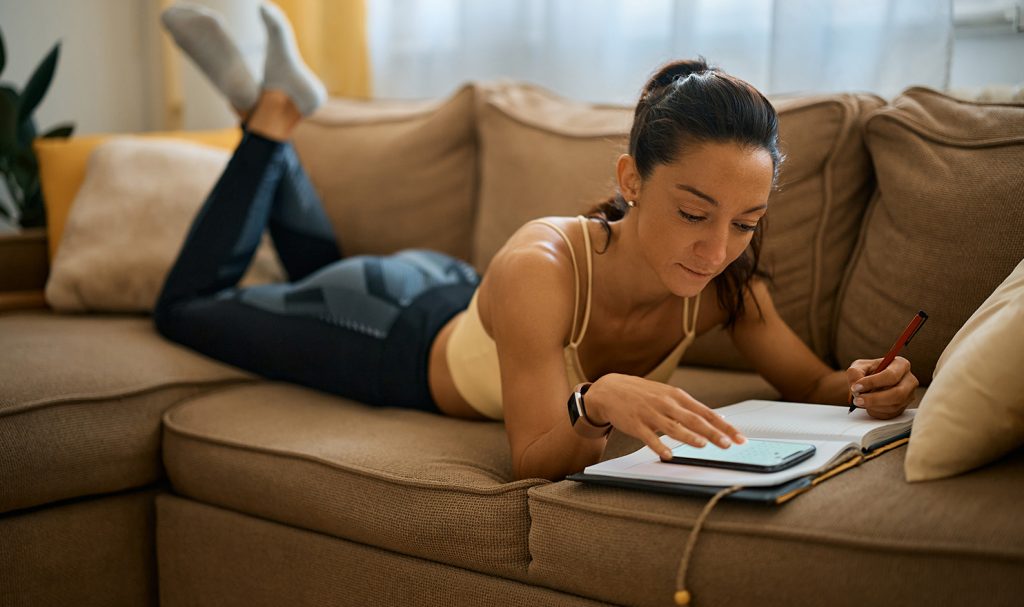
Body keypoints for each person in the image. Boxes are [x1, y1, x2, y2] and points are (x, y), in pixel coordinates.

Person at [156, 2, 920, 483]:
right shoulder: (542, 261)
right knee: (186, 308)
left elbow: (811, 384)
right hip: (387, 325)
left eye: (746, 222)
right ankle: (269, 124)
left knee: (313, 272)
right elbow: (535, 457)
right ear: (631, 179)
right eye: (694, 212)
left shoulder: (728, 289)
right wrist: (593, 401)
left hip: (460, 297)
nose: (719, 247)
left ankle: (275, 114)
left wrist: (865, 382)